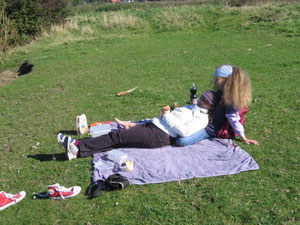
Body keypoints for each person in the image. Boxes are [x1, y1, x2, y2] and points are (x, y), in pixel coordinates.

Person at [57, 90, 216, 160]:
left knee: (117, 135)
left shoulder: (202, 118)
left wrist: (167, 117)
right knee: (119, 140)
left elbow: (185, 131)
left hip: (161, 135)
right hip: (156, 126)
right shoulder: (193, 107)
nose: (202, 101)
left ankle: (77, 145)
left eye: (206, 101)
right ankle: (77, 152)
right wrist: (165, 115)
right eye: (203, 97)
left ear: (211, 107)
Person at [176, 65, 259, 146]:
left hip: (210, 129)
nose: (214, 82)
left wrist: (243, 137)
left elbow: (233, 119)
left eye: (217, 79)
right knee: (178, 125)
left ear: (227, 81)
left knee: (181, 141)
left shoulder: (231, 100)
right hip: (203, 118)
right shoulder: (221, 91)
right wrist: (198, 101)